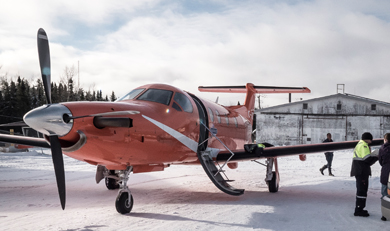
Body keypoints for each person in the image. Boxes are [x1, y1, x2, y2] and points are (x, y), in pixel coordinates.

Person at [350, 132, 378, 217]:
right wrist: (376, 156)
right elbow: (367, 159)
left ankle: (360, 208)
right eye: (370, 139)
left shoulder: (360, 144)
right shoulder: (364, 145)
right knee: (362, 191)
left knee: (361, 190)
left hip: (359, 171)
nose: (371, 142)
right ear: (368, 139)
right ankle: (359, 210)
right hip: (361, 171)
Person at [378, 133, 390, 221]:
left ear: (385, 139)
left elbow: (380, 161)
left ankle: (385, 215)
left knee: (385, 194)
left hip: (386, 173)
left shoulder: (382, 148)